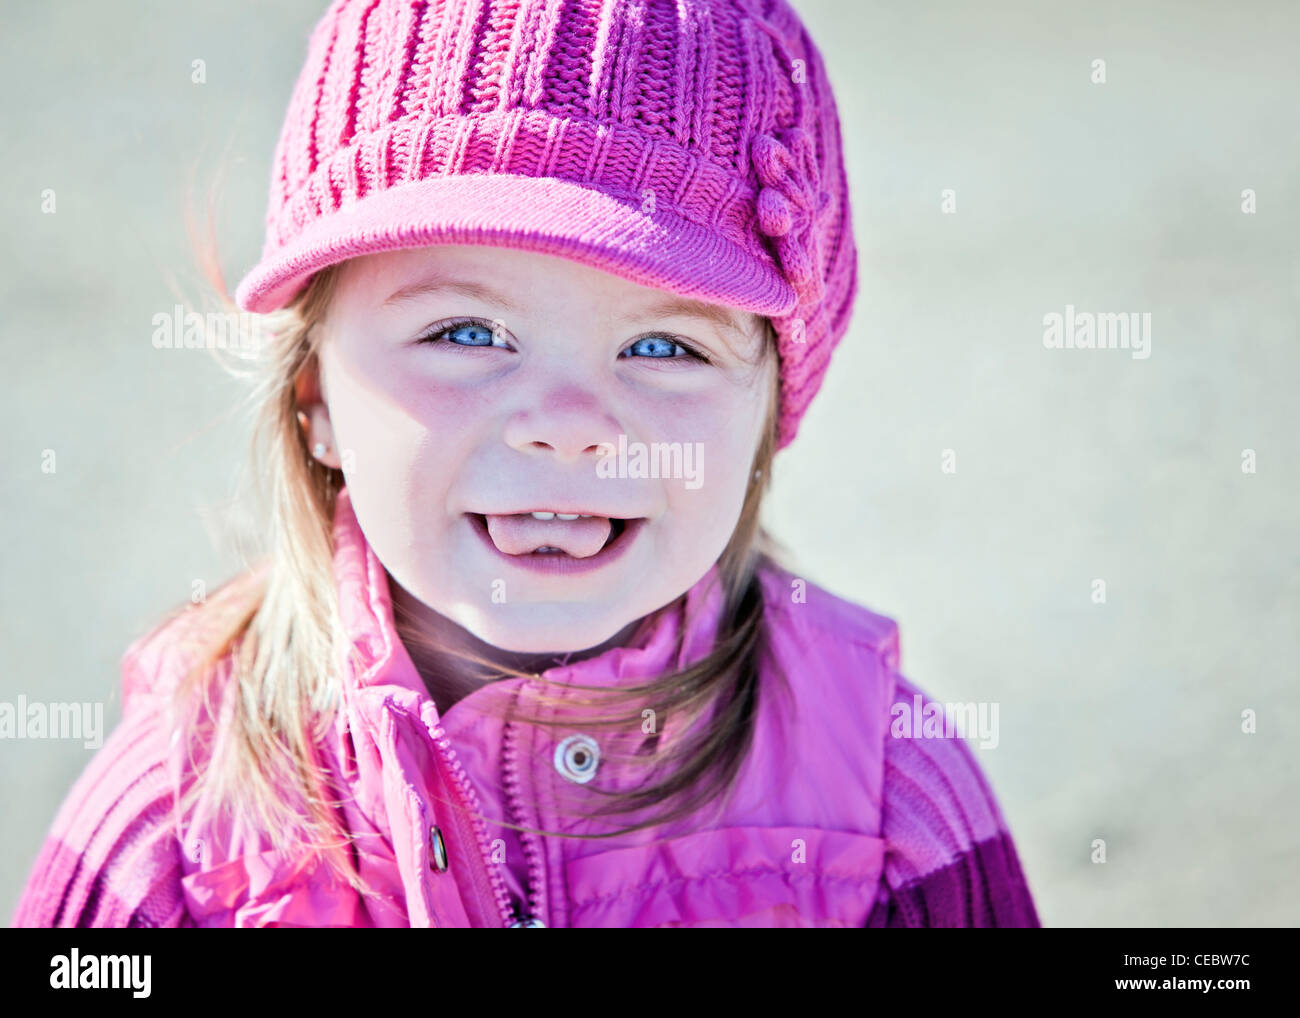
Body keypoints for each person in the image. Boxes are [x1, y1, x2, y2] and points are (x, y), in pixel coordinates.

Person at [12, 0, 1040, 927]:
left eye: (664, 346)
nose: (567, 426)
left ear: (768, 409)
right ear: (314, 397)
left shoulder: (882, 795)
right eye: (465, 332)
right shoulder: (178, 833)